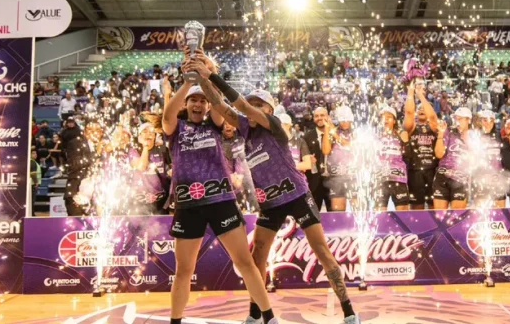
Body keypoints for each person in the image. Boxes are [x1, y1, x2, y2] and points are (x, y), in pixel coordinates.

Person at [184, 59, 360, 324]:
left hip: (298, 195)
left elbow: (240, 106)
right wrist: (204, 80)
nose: (253, 109)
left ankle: (348, 312)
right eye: (253, 105)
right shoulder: (245, 130)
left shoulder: (274, 125)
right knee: (258, 257)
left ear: (268, 110)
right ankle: (256, 314)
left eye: (259, 105)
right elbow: (220, 106)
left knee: (322, 251)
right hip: (270, 203)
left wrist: (215, 75)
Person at [161, 55, 279, 324]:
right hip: (188, 204)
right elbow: (167, 114)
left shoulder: (214, 123)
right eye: (194, 100)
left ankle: (269, 318)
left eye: (201, 100)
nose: (199, 103)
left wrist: (206, 76)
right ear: (186, 104)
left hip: (221, 200)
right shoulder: (176, 128)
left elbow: (217, 104)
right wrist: (187, 84)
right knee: (183, 270)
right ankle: (175, 321)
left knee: (245, 262)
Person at [403, 82, 439, 210]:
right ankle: (418, 230)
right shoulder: (412, 127)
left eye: (424, 108)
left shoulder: (434, 127)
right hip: (415, 171)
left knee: (434, 206)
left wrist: (421, 96)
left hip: (433, 170)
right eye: (419, 109)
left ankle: (436, 230)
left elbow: (433, 117)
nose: (422, 109)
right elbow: (408, 112)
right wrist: (411, 91)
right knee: (417, 206)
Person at [130, 114, 171, 215]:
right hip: (140, 202)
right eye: (144, 131)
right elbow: (141, 167)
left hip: (161, 201)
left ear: (155, 135)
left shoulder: (162, 150)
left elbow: (171, 170)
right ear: (139, 136)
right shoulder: (134, 150)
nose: (148, 134)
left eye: (151, 132)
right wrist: (145, 147)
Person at [433, 107, 472, 209]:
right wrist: (441, 133)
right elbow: (439, 154)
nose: (457, 121)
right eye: (456, 118)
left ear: (469, 120)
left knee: (457, 217)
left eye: (460, 119)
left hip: (461, 178)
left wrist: (468, 141)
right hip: (442, 176)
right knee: (439, 217)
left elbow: (477, 159)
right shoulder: (448, 132)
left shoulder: (475, 135)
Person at [322, 105, 356, 212]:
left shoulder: (356, 133)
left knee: (359, 212)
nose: (345, 122)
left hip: (354, 177)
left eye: (347, 120)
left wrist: (334, 134)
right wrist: (327, 128)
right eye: (342, 120)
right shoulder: (333, 131)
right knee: (338, 213)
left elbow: (350, 145)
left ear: (351, 119)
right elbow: (326, 151)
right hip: (336, 178)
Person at [375, 106, 410, 211]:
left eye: (389, 117)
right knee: (379, 217)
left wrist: (406, 142)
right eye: (383, 117)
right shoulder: (374, 135)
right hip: (379, 179)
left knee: (403, 216)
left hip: (398, 178)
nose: (385, 119)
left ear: (394, 120)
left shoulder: (401, 134)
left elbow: (408, 156)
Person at [473, 110, 505, 208]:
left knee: (500, 213)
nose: (488, 123)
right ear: (480, 121)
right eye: (485, 120)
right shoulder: (475, 136)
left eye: (490, 120)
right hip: (481, 180)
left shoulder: (500, 137)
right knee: (481, 213)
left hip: (498, 179)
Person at [302, 107, 332, 211]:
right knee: (313, 218)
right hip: (314, 183)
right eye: (316, 116)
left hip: (334, 182)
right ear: (313, 118)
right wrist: (306, 159)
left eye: (322, 115)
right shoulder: (306, 137)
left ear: (328, 117)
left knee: (336, 217)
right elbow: (301, 159)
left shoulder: (335, 134)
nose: (319, 118)